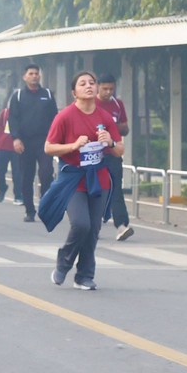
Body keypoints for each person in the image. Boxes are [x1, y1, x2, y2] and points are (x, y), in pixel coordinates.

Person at [41, 71, 124, 291]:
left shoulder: (105, 117)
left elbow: (120, 149)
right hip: (73, 178)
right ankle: (64, 262)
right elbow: (48, 147)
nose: (88, 86)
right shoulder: (65, 116)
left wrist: (110, 143)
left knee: (93, 228)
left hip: (99, 179)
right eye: (82, 83)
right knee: (81, 224)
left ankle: (85, 275)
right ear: (74, 92)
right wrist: (73, 146)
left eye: (92, 83)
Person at [7, 64, 58, 223]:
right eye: (31, 73)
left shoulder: (47, 94)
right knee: (26, 177)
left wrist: (56, 138)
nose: (34, 76)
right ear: (25, 77)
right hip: (25, 142)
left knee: (46, 173)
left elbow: (55, 118)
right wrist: (16, 138)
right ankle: (29, 210)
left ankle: (45, 205)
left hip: (44, 142)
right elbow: (12, 119)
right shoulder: (18, 96)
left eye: (36, 73)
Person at [96, 75, 134, 240]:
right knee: (94, 190)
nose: (108, 92)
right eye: (105, 89)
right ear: (98, 86)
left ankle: (121, 225)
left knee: (116, 189)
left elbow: (125, 128)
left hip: (112, 153)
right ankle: (93, 225)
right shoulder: (90, 103)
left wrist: (113, 127)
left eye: (111, 89)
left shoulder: (118, 104)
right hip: (93, 154)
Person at [0, 103, 16, 202]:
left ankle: (18, 195)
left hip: (16, 147)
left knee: (17, 173)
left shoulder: (23, 112)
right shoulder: (5, 112)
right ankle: (2, 188)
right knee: (0, 171)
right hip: (2, 146)